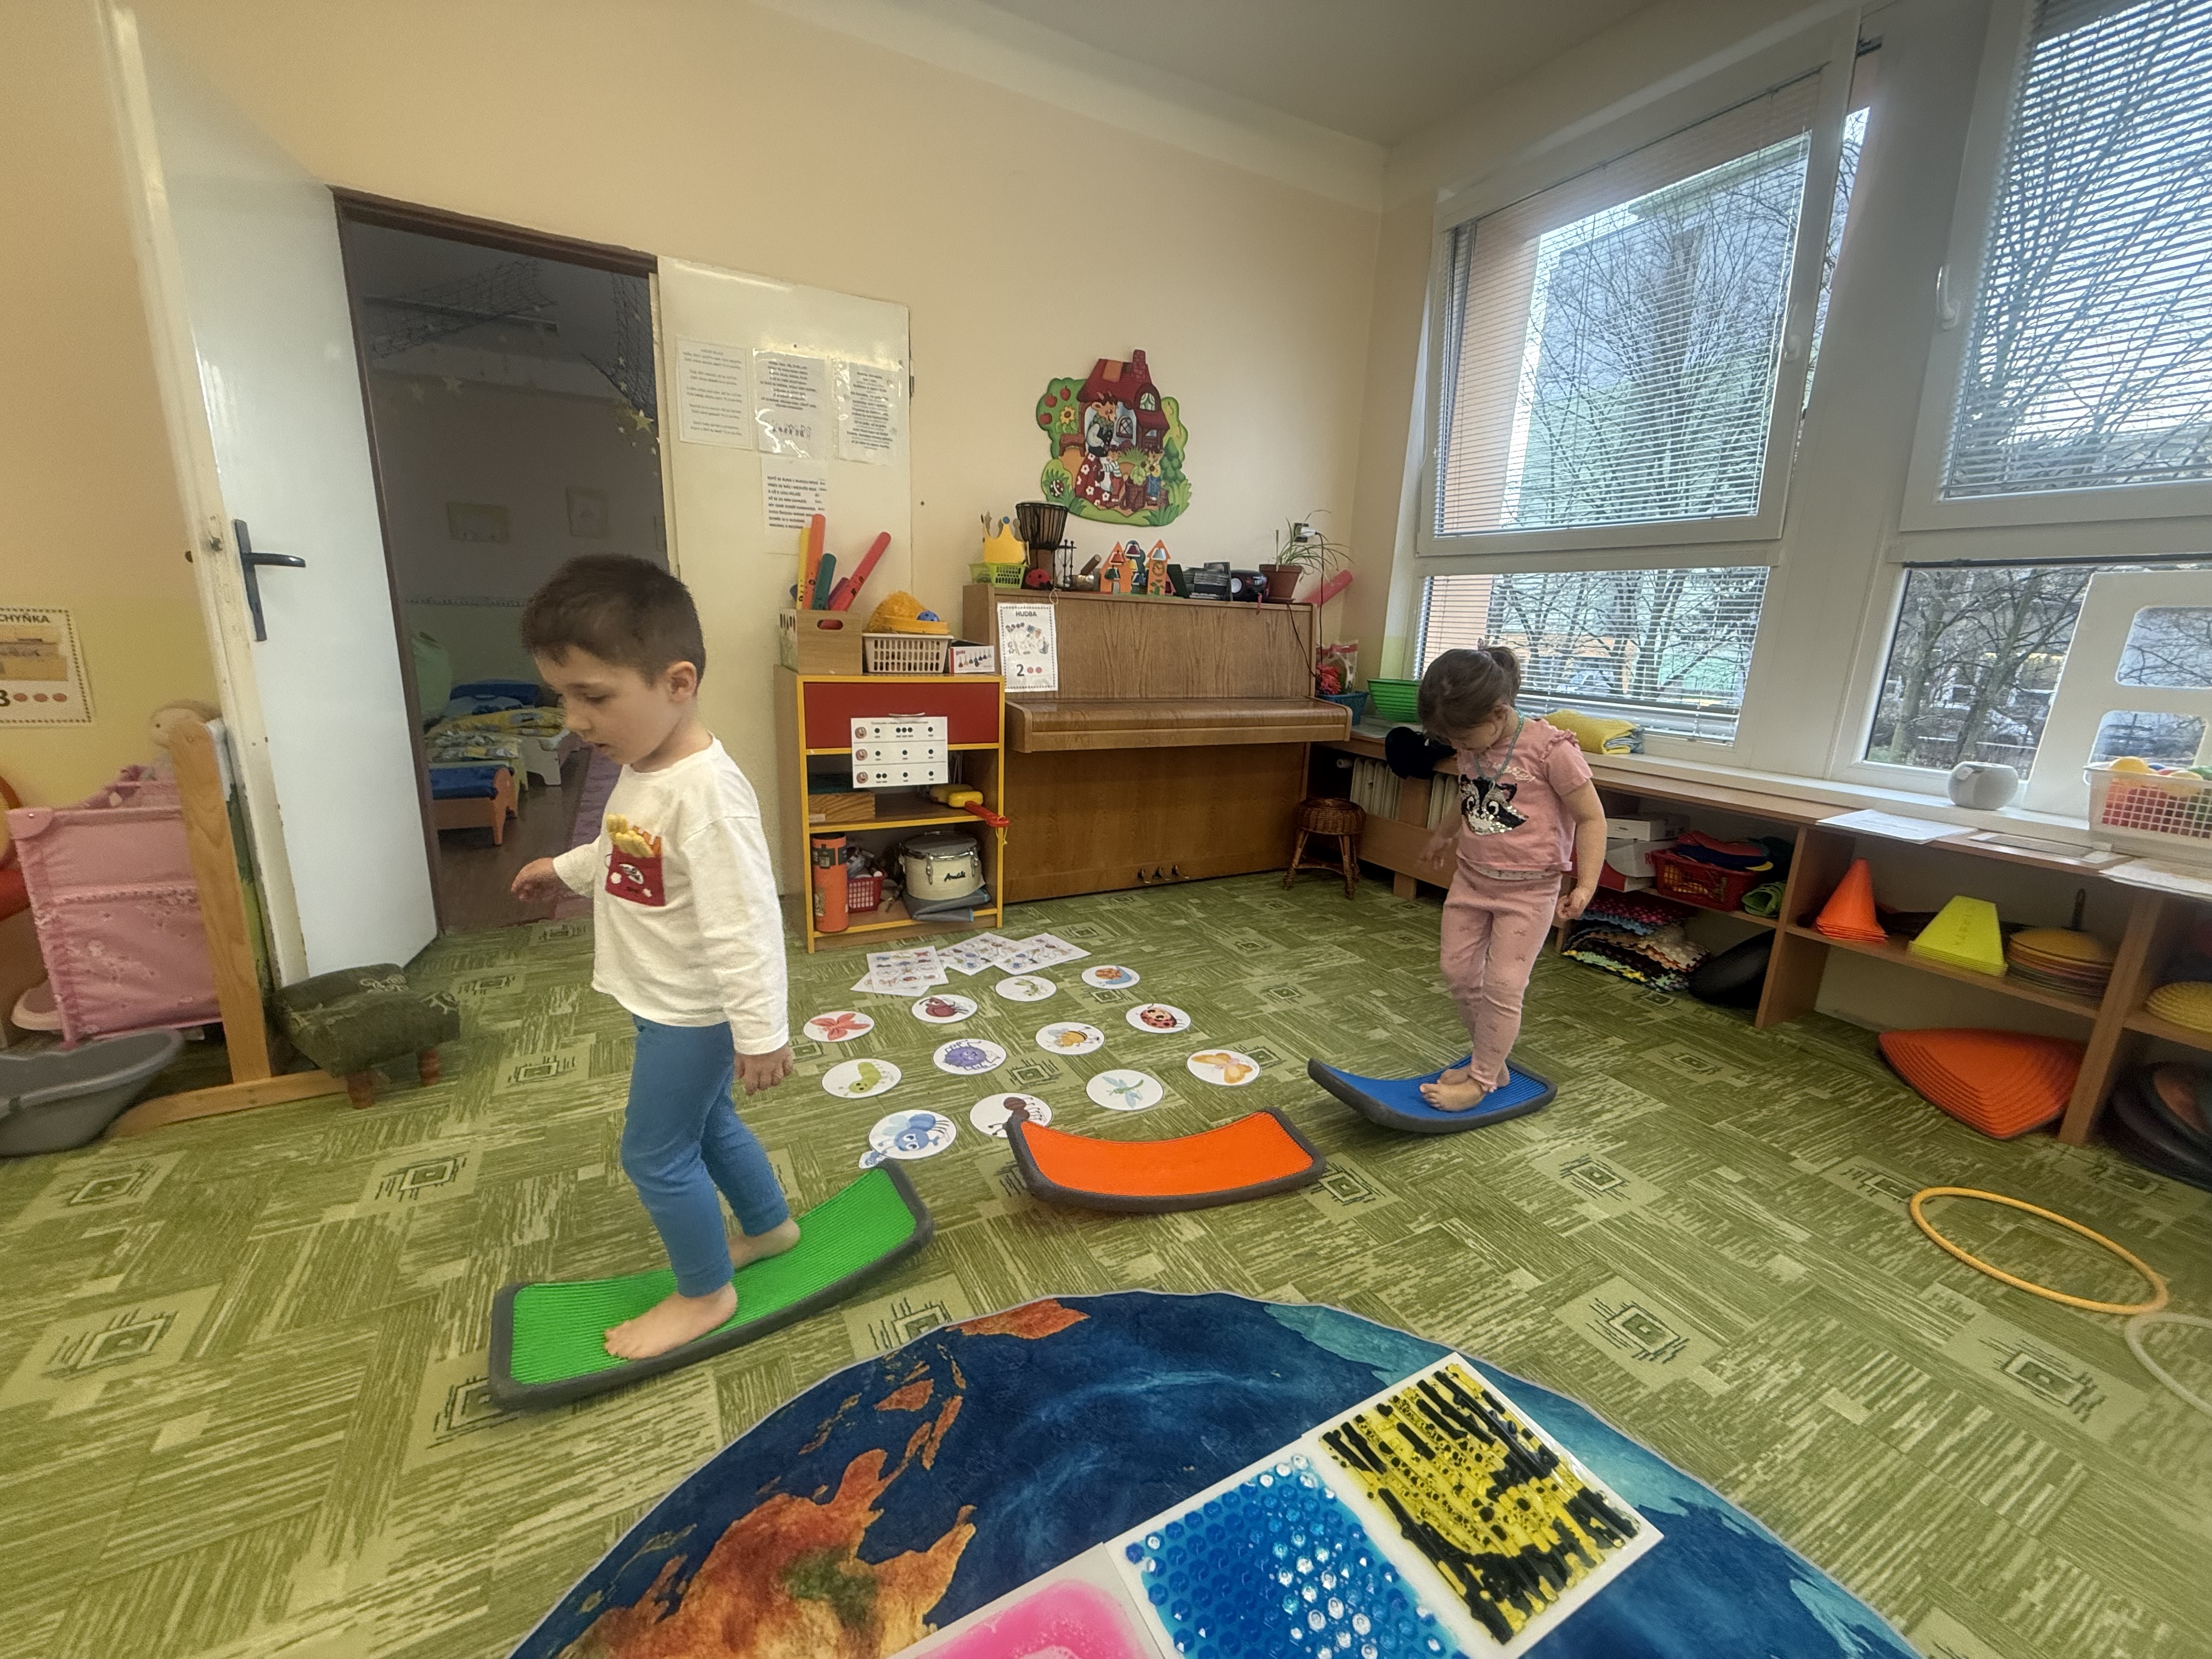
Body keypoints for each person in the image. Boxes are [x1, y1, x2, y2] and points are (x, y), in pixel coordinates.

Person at [510, 555, 796, 1361]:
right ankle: (769, 1228)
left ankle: (705, 1294)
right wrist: (565, 868)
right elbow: (628, 850)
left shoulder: (707, 796)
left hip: (693, 1013)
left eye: (594, 697)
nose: (575, 720)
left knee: (654, 1153)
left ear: (678, 683)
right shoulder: (645, 766)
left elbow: (747, 925)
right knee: (708, 1124)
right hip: (659, 995)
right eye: (562, 697)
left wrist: (761, 1032)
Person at [1415, 647, 1606, 1111]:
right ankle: (1492, 1061)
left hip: (1529, 891)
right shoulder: (1472, 744)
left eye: (1463, 737)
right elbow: (1469, 795)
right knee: (1459, 973)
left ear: (1498, 714)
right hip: (1471, 879)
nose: (1459, 747)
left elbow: (1592, 818)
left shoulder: (1552, 750)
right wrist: (1443, 834)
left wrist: (1586, 885)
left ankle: (1481, 1081)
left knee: (1504, 985)